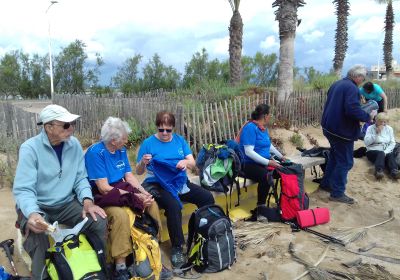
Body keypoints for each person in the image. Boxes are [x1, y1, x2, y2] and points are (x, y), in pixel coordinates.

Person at [13, 104, 107, 279]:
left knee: (98, 220)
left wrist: (87, 200)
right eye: (65, 125)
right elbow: (24, 189)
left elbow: (80, 178)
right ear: (48, 127)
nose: (71, 128)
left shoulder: (75, 145)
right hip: (38, 205)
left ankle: (99, 269)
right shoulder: (30, 148)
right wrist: (33, 213)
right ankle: (41, 275)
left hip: (65, 203)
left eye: (72, 123)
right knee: (37, 233)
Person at [84, 117, 172, 280]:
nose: (127, 141)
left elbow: (129, 176)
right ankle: (120, 266)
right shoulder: (96, 153)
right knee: (120, 216)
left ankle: (153, 254)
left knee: (151, 204)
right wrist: (134, 196)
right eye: (124, 138)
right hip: (105, 196)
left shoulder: (121, 150)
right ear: (113, 140)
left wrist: (142, 192)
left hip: (122, 189)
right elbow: (103, 188)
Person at [136, 110, 215, 269]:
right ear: (157, 127)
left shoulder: (180, 141)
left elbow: (192, 163)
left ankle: (206, 233)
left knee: (207, 198)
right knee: (174, 205)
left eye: (168, 130)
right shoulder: (148, 143)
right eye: (161, 129)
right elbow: (138, 172)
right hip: (158, 183)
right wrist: (143, 162)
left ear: (173, 128)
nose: (164, 133)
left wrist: (185, 163)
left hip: (179, 182)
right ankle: (177, 247)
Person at [320, 65, 377, 204]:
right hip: (341, 131)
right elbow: (351, 110)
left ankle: (327, 184)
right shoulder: (352, 88)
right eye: (362, 78)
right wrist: (367, 116)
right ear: (357, 77)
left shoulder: (337, 83)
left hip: (329, 127)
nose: (362, 81)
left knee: (335, 156)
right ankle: (337, 193)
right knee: (345, 162)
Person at [236, 104, 285, 207]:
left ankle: (284, 201)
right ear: (265, 116)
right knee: (266, 176)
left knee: (282, 171)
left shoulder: (263, 129)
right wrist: (268, 162)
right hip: (247, 164)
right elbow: (249, 151)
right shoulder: (250, 128)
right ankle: (260, 207)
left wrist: (281, 157)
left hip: (261, 162)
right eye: (269, 115)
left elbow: (269, 146)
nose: (270, 117)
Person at [364, 112, 400, 180]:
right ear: (376, 120)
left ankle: (394, 171)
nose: (383, 124)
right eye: (381, 121)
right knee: (381, 153)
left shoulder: (389, 129)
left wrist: (385, 152)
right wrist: (376, 134)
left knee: (390, 154)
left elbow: (392, 143)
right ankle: (379, 171)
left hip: (385, 150)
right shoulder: (370, 128)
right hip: (372, 151)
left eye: (385, 122)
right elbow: (366, 143)